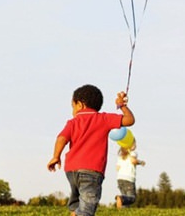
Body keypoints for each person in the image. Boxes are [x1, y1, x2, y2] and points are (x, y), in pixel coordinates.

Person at [47, 84, 134, 216]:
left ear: (80, 105)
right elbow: (130, 120)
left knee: (76, 205)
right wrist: (122, 106)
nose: (72, 110)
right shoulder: (104, 118)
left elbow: (61, 138)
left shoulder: (73, 122)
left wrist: (56, 156)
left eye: (73, 106)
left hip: (71, 170)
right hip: (91, 171)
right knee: (87, 207)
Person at [114, 143, 145, 208]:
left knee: (126, 198)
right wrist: (140, 162)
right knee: (132, 198)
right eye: (134, 143)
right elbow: (133, 161)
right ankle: (121, 198)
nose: (136, 144)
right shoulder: (133, 153)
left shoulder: (121, 156)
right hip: (128, 179)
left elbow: (117, 168)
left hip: (120, 178)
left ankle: (122, 209)